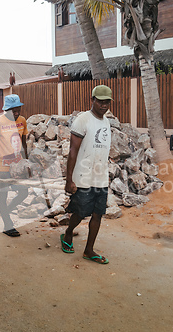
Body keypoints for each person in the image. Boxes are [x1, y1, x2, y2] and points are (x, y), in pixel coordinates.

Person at [61, 85, 113, 264]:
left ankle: (89, 250)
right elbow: (73, 151)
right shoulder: (82, 120)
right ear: (93, 99)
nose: (104, 106)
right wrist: (69, 179)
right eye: (100, 101)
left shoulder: (106, 122)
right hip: (83, 176)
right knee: (81, 212)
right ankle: (68, 233)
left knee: (98, 213)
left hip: (100, 176)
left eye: (107, 102)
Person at [0, 94, 29, 237]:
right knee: (2, 196)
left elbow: (23, 143)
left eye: (18, 110)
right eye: (13, 111)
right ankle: (7, 224)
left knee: (24, 192)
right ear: (6, 110)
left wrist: (26, 163)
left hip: (17, 167)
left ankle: (6, 212)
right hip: (2, 167)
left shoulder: (22, 121)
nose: (16, 114)